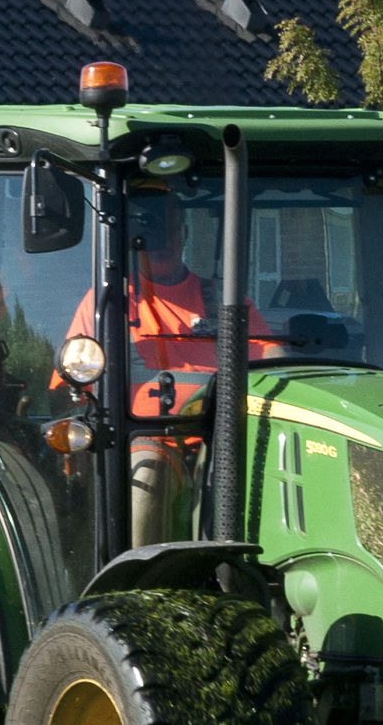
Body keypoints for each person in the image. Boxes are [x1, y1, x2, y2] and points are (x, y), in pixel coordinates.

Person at [59, 194, 274, 542]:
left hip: (222, 439)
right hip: (145, 439)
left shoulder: (223, 301)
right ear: (132, 237)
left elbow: (272, 359)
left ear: (184, 233)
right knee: (148, 478)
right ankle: (140, 589)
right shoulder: (110, 304)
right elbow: (71, 389)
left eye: (168, 228)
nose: (159, 240)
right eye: (148, 228)